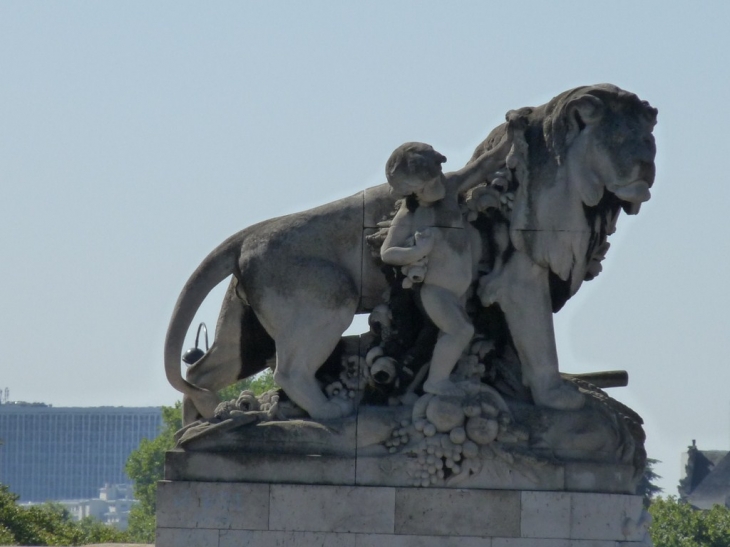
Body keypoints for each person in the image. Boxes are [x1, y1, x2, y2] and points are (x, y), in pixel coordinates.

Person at [380, 129, 514, 396]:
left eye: (436, 179)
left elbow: (484, 165)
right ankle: (436, 382)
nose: (436, 188)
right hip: (436, 291)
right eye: (426, 188)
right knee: (460, 331)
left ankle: (434, 380)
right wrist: (416, 252)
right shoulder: (411, 215)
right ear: (412, 193)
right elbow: (387, 252)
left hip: (461, 289)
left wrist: (511, 136)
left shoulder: (450, 189)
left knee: (456, 335)